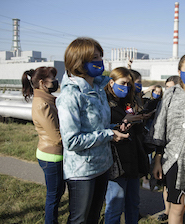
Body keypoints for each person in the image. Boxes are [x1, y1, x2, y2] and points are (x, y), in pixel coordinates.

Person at [56, 37, 128, 224]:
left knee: (94, 218)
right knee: (79, 220)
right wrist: (109, 134)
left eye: (100, 56)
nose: (100, 62)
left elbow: (97, 128)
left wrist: (114, 128)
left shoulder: (98, 89)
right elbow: (72, 141)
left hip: (102, 165)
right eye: (94, 57)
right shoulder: (71, 96)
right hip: (82, 171)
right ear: (79, 62)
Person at [149, 53, 185, 224]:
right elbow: (160, 128)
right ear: (179, 71)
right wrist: (158, 159)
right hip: (173, 160)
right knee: (177, 208)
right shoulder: (170, 94)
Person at [104, 67, 150, 224]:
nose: (126, 87)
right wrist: (120, 125)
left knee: (133, 204)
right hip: (116, 163)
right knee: (115, 206)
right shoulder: (104, 103)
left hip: (133, 160)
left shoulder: (128, 102)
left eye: (129, 84)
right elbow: (100, 129)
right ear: (112, 82)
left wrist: (137, 119)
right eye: (123, 83)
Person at [21, 66, 65, 224]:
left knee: (57, 192)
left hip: (51, 153)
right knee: (54, 195)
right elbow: (56, 137)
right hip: (52, 155)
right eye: (52, 79)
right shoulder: (42, 104)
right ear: (42, 82)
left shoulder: (46, 99)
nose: (55, 82)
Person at [156, 75, 182, 223]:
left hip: (180, 153)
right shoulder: (164, 103)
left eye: (172, 87)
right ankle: (167, 211)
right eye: (167, 87)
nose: (168, 90)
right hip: (166, 151)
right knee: (166, 185)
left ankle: (175, 212)